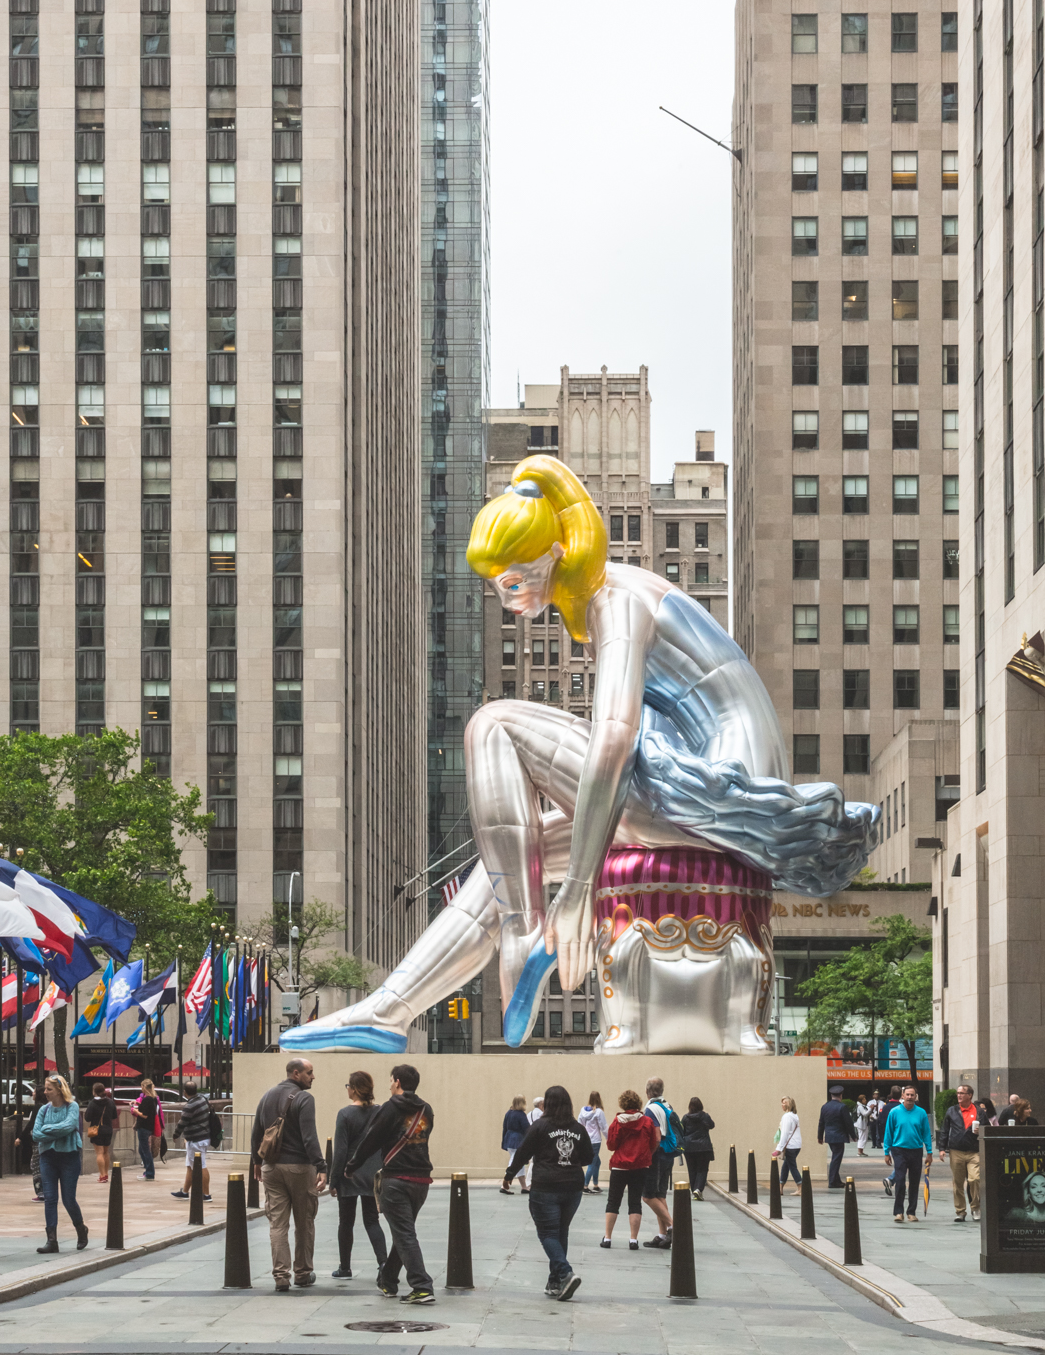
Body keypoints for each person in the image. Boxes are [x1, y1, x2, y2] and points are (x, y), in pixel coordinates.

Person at [287, 460, 877, 1058]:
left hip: (712, 794)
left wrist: (577, 892)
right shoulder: (612, 598)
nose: (507, 600)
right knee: (515, 858)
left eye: (514, 582)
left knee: (493, 726)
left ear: (556, 554)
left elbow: (614, 740)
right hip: (703, 799)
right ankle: (388, 1010)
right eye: (498, 586)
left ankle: (524, 935)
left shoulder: (616, 600)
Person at [345, 1061, 435, 1307]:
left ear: (396, 1082)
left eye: (390, 1080)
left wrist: (352, 1165)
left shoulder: (390, 1107)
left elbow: (371, 1139)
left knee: (404, 1233)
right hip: (421, 1180)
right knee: (402, 1231)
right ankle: (388, 1280)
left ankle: (421, 1285)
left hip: (396, 1179)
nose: (389, 1084)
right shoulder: (426, 1109)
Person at [502, 1083, 592, 1300]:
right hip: (572, 1187)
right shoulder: (578, 1128)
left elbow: (522, 1153)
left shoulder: (540, 1127)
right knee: (561, 1231)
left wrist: (509, 1175)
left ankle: (565, 1272)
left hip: (546, 1185)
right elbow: (589, 1157)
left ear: (547, 1104)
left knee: (548, 1233)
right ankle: (555, 1282)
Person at [250, 1057, 327, 1294]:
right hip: (299, 1167)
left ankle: (281, 1276)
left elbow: (257, 1132)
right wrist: (322, 1166)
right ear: (296, 1073)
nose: (313, 1077)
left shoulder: (267, 1096)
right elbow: (309, 1137)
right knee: (304, 1221)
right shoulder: (304, 1098)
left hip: (271, 1168)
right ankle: (302, 1273)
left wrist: (257, 1161)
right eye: (309, 1073)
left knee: (277, 1224)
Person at [328, 1070, 387, 1281]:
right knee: (372, 1221)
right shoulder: (380, 1112)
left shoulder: (344, 1114)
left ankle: (345, 1267)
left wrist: (333, 1180)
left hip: (349, 1174)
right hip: (373, 1174)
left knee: (346, 1221)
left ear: (353, 1089)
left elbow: (341, 1151)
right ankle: (383, 1263)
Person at [33, 1074, 88, 1255]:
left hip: (69, 1157)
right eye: (45, 1089)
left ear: (59, 1090)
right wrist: (54, 1132)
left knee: (68, 1199)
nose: (45, 1092)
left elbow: (70, 1125)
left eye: (49, 1089)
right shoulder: (44, 1110)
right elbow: (35, 1134)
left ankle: (81, 1229)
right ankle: (52, 1241)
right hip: (47, 1157)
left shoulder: (71, 1106)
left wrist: (47, 1130)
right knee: (50, 1198)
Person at [601, 1088, 658, 1248]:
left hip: (620, 1166)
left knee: (613, 1202)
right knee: (635, 1203)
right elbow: (652, 1144)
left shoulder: (617, 1121)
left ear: (623, 1104)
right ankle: (633, 1240)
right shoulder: (647, 1122)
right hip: (640, 1167)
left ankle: (607, 1238)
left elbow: (611, 1145)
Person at [883, 1084, 932, 1223]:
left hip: (916, 1150)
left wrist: (929, 1151)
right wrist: (887, 1152)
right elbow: (888, 1132)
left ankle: (911, 1211)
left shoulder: (921, 1113)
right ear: (902, 1096)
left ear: (915, 1097)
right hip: (899, 1150)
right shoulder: (894, 1112)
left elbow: (926, 1133)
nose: (910, 1097)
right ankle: (898, 1212)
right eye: (907, 1095)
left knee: (914, 1182)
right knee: (900, 1180)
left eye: (912, 1095)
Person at [642, 1077, 682, 1248]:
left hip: (657, 1154)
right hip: (668, 1154)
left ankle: (674, 1228)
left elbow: (657, 1136)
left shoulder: (651, 1109)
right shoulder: (667, 1105)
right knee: (660, 1195)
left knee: (647, 1196)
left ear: (647, 1091)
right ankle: (662, 1235)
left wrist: (649, 1154)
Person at [938, 1083, 981, 1223]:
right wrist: (942, 1148)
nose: (959, 1095)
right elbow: (944, 1130)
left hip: (974, 1151)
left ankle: (975, 1207)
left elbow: (988, 1128)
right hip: (956, 1151)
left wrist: (981, 1131)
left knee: (974, 1179)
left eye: (962, 1093)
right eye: (958, 1093)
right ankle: (960, 1211)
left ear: (970, 1095)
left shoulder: (979, 1111)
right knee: (957, 1182)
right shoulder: (952, 1110)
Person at [171, 1082, 213, 1203]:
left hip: (196, 1139)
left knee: (201, 1165)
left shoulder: (190, 1106)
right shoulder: (202, 1099)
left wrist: (176, 1134)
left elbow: (182, 1122)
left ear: (185, 1092)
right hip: (203, 1136)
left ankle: (206, 1194)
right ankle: (185, 1192)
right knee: (190, 1166)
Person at [817, 1086, 853, 1189]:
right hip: (839, 1136)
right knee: (836, 1159)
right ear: (841, 1095)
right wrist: (853, 1135)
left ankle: (836, 1180)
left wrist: (820, 1136)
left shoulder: (825, 1107)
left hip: (829, 1136)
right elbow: (848, 1123)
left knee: (835, 1157)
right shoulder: (842, 1107)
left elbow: (821, 1123)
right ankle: (832, 1181)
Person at [679, 1097, 715, 1199]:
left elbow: (682, 1131)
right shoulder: (705, 1116)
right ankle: (698, 1189)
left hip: (689, 1148)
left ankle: (694, 1189)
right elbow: (712, 1125)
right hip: (703, 1147)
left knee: (692, 1169)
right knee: (702, 1169)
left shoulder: (686, 1118)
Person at [83, 1081, 115, 1184]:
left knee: (99, 1153)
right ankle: (106, 1173)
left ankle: (102, 1175)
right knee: (106, 1152)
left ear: (94, 1092)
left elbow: (87, 1118)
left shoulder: (93, 1103)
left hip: (96, 1130)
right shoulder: (110, 1102)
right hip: (108, 1129)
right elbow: (114, 1115)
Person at [130, 1078, 159, 1182]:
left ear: (144, 1087)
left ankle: (149, 1173)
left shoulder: (147, 1099)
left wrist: (135, 1110)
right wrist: (138, 1104)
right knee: (142, 1149)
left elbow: (144, 1115)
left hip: (144, 1127)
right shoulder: (153, 1098)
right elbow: (146, 1109)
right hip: (149, 1127)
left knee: (145, 1150)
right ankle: (148, 1171)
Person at [773, 1096, 803, 1192]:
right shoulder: (795, 1116)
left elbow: (785, 1134)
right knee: (786, 1166)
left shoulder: (787, 1117)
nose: (782, 1105)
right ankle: (780, 1187)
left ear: (789, 1105)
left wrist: (779, 1148)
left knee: (792, 1167)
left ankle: (801, 1187)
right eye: (782, 1103)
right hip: (796, 1145)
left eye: (784, 1103)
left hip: (790, 1146)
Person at [500, 1096, 530, 1193]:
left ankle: (524, 1187)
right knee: (515, 1161)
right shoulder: (521, 1115)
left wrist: (504, 1141)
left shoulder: (508, 1113)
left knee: (518, 1163)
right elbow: (527, 1129)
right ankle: (504, 1183)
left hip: (509, 1138)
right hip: (518, 1139)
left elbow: (504, 1127)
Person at [579, 1092, 606, 1193]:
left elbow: (580, 1124)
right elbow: (603, 1127)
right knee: (592, 1163)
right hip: (595, 1140)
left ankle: (595, 1184)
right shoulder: (599, 1112)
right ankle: (585, 1186)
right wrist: (608, 1138)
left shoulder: (583, 1110)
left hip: (587, 1139)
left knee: (597, 1162)